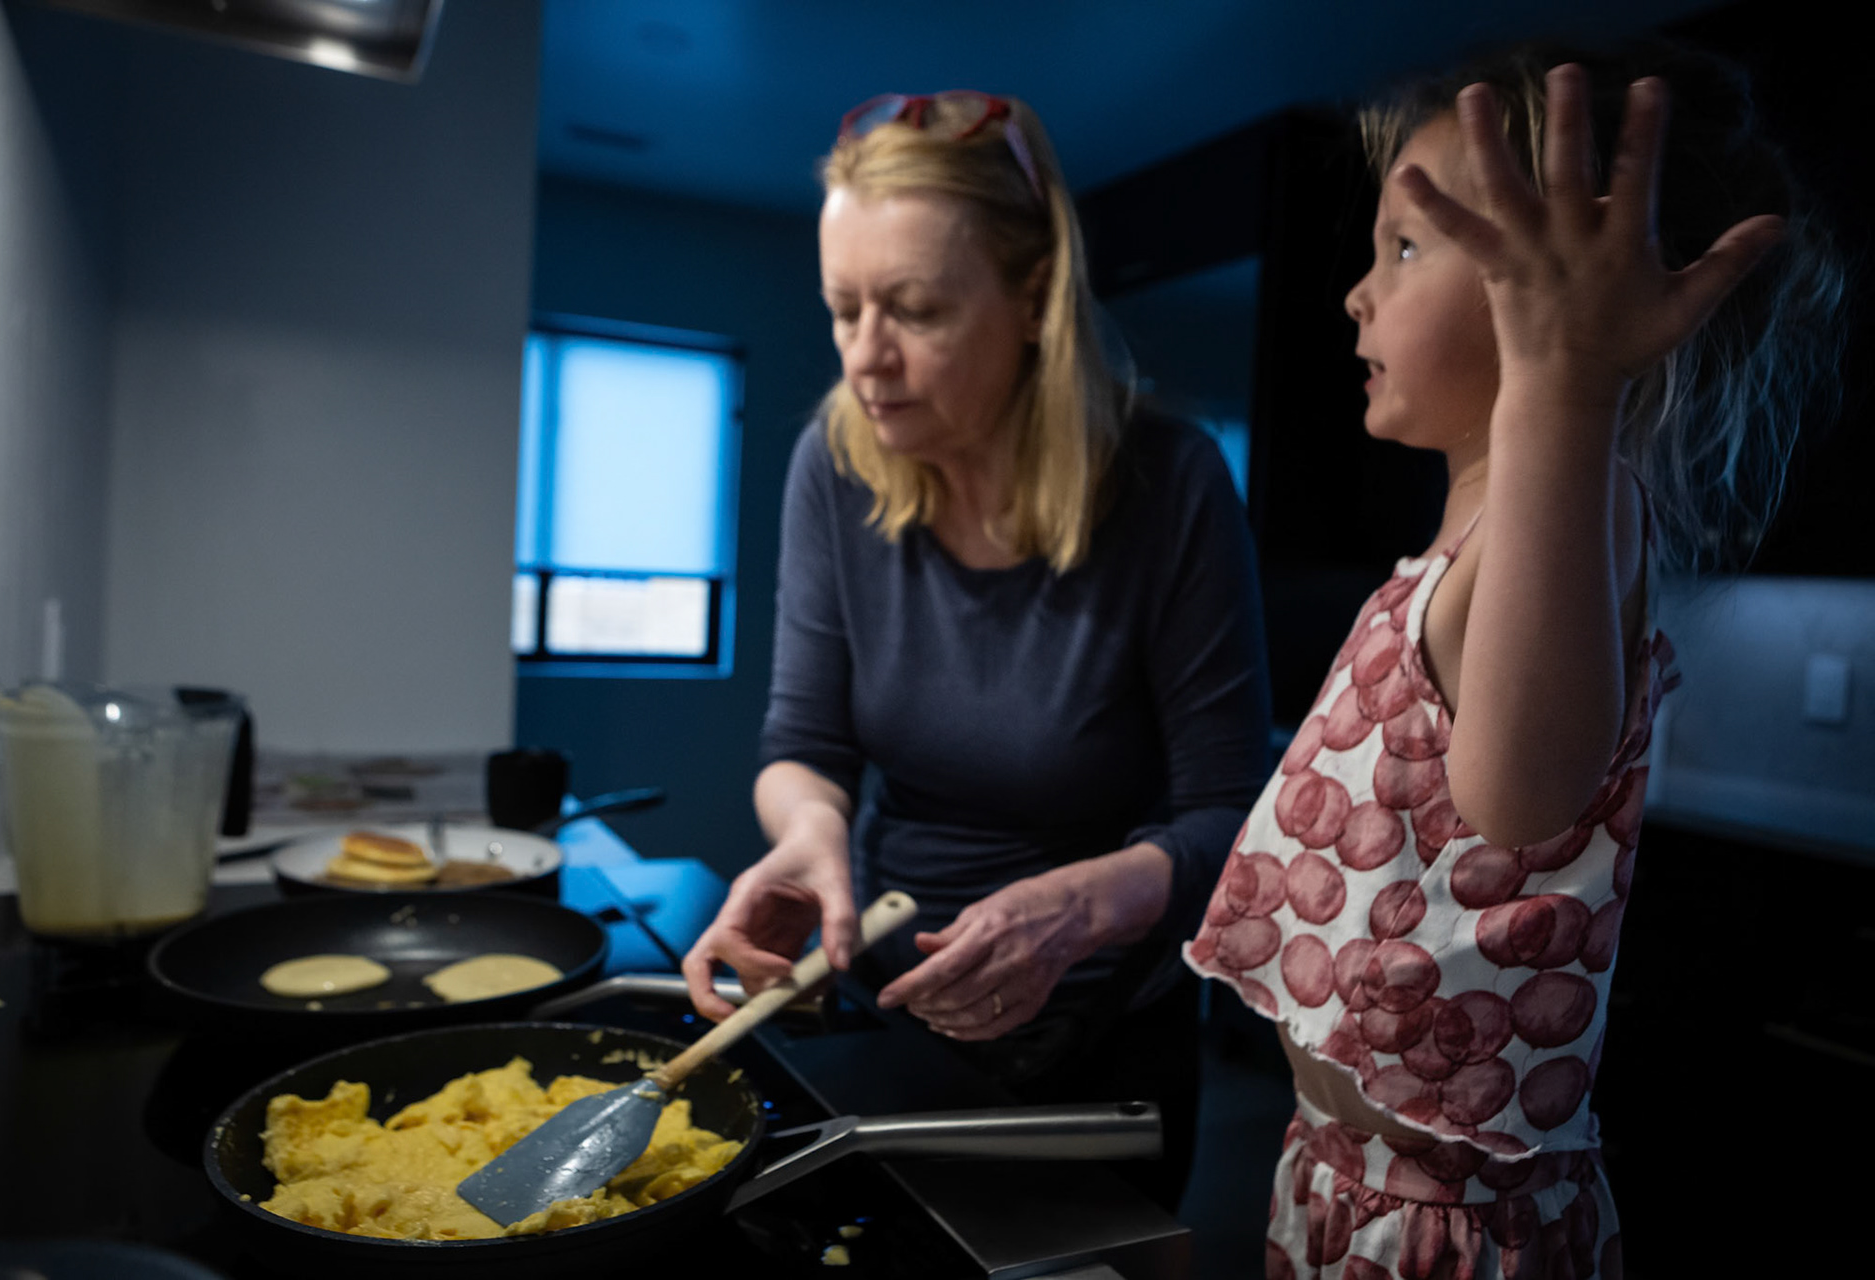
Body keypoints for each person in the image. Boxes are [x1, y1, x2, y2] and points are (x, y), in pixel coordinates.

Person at [1184, 43, 1846, 1280]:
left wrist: (1562, 375)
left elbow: (1515, 799)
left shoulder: (1585, 510)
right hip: (1334, 1185)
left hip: (1452, 1238)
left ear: (1558, 291)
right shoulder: (1454, 547)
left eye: (1409, 247)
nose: (1356, 295)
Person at [681, 90, 1273, 1209]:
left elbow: (1233, 816)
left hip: (1104, 1036)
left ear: (1036, 295)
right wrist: (810, 834)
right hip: (889, 1011)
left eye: (913, 309)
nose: (867, 358)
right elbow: (802, 739)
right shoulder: (835, 463)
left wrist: (1083, 906)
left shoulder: (1171, 481)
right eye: (842, 307)